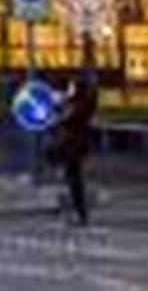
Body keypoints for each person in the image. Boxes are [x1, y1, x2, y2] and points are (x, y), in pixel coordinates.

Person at [50, 77, 98, 226]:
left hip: (73, 147)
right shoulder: (81, 104)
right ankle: (77, 214)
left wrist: (59, 107)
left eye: (72, 87)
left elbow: (64, 119)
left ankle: (79, 215)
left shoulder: (78, 106)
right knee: (72, 180)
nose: (69, 90)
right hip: (74, 146)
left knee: (74, 181)